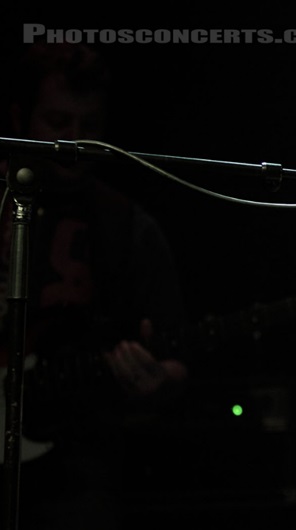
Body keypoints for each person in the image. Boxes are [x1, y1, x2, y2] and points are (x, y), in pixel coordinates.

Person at [0, 42, 188, 529]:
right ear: (20, 118)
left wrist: (157, 380)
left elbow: (175, 357)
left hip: (74, 458)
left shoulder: (129, 227)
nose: (73, 142)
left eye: (89, 128)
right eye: (58, 124)